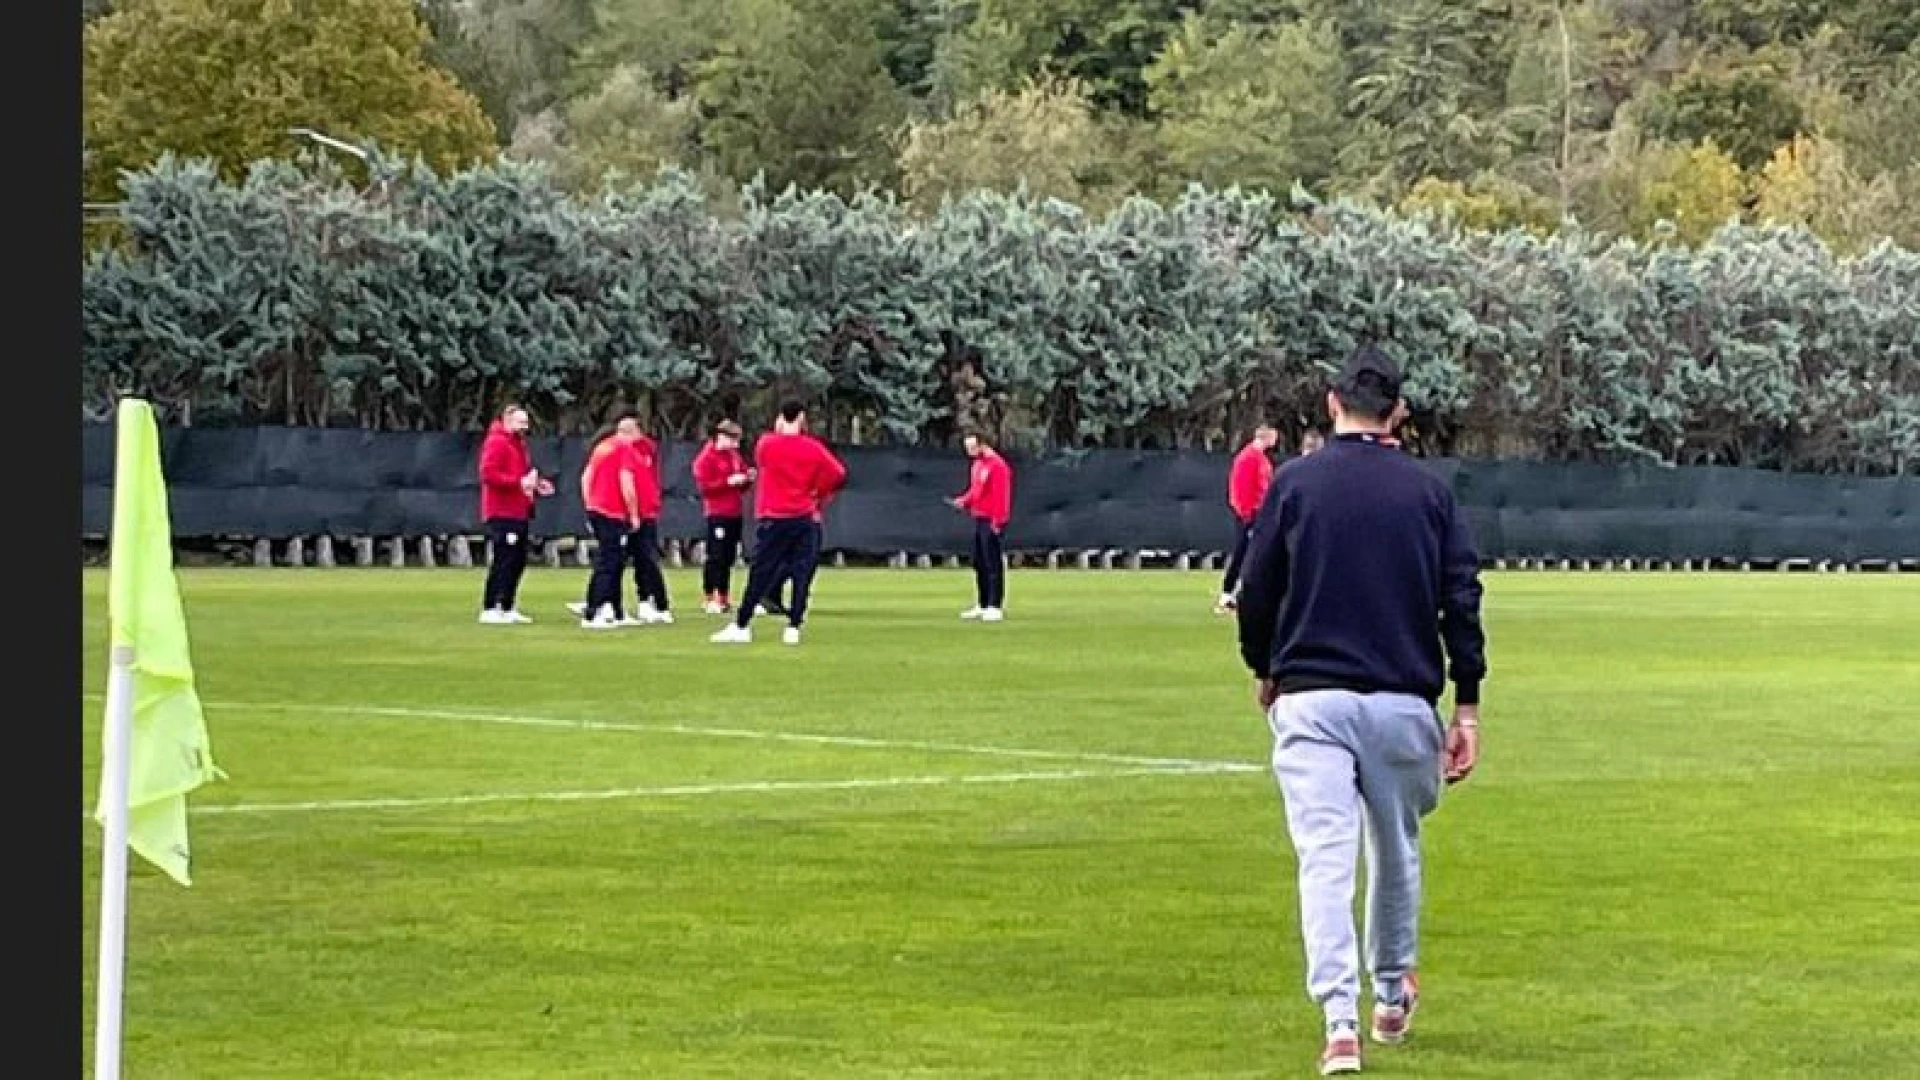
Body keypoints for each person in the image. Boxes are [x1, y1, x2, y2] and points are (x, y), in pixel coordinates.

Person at [1235, 344, 1486, 1077]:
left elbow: (1257, 588)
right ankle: (1390, 994)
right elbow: (1461, 602)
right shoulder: (1430, 493)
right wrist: (1466, 704)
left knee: (1324, 857)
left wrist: (1264, 667)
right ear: (1399, 414)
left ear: (1330, 403)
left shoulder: (1296, 483)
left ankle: (1338, 1020)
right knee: (1396, 845)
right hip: (1402, 699)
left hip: (1310, 697)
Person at [710, 401, 846, 647]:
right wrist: (816, 491)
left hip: (775, 516)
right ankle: (793, 626)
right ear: (802, 419)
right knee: (802, 572)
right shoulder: (814, 448)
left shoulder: (767, 444)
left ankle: (742, 624)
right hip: (805, 517)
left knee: (761, 572)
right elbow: (837, 474)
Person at [476, 404, 553, 623]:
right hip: (502, 511)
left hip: (520, 510)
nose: (525, 427)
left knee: (518, 559)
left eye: (526, 423)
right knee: (504, 558)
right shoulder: (497, 442)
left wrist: (536, 484)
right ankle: (491, 606)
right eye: (521, 422)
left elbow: (520, 474)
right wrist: (518, 483)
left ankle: (507, 605)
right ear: (507, 420)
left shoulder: (518, 444)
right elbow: (488, 474)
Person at [575, 412, 644, 630]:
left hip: (597, 510)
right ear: (633, 431)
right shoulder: (625, 449)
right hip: (612, 513)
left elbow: (585, 478)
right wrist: (634, 513)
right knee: (608, 562)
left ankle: (615, 610)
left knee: (615, 562)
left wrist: (590, 505)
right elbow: (627, 483)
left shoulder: (603, 446)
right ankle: (592, 611)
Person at [946, 431, 1013, 622]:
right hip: (979, 517)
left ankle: (995, 605)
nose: (970, 452)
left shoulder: (998, 466)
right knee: (979, 561)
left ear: (983, 444)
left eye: (973, 447)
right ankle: (983, 603)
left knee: (992, 562)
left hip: (992, 519)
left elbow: (1002, 496)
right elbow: (976, 491)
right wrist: (964, 501)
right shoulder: (978, 464)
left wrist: (998, 522)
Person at [692, 419, 756, 615]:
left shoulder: (733, 455)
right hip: (717, 513)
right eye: (733, 439)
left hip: (734, 512)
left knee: (728, 556)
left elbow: (741, 480)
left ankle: (724, 596)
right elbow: (705, 488)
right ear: (721, 436)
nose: (737, 445)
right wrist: (728, 482)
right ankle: (710, 596)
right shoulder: (706, 458)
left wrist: (747, 479)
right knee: (716, 556)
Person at [1217, 424, 1280, 614]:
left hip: (1256, 514)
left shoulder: (1258, 458)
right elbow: (1242, 488)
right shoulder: (1248, 458)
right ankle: (1228, 593)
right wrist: (1247, 515)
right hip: (1250, 516)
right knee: (1243, 554)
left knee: (1249, 555)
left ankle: (1237, 593)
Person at [625, 422, 673, 625]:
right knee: (614, 559)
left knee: (647, 558)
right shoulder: (623, 450)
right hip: (626, 513)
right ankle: (604, 599)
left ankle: (657, 603)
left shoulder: (645, 449)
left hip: (645, 513)